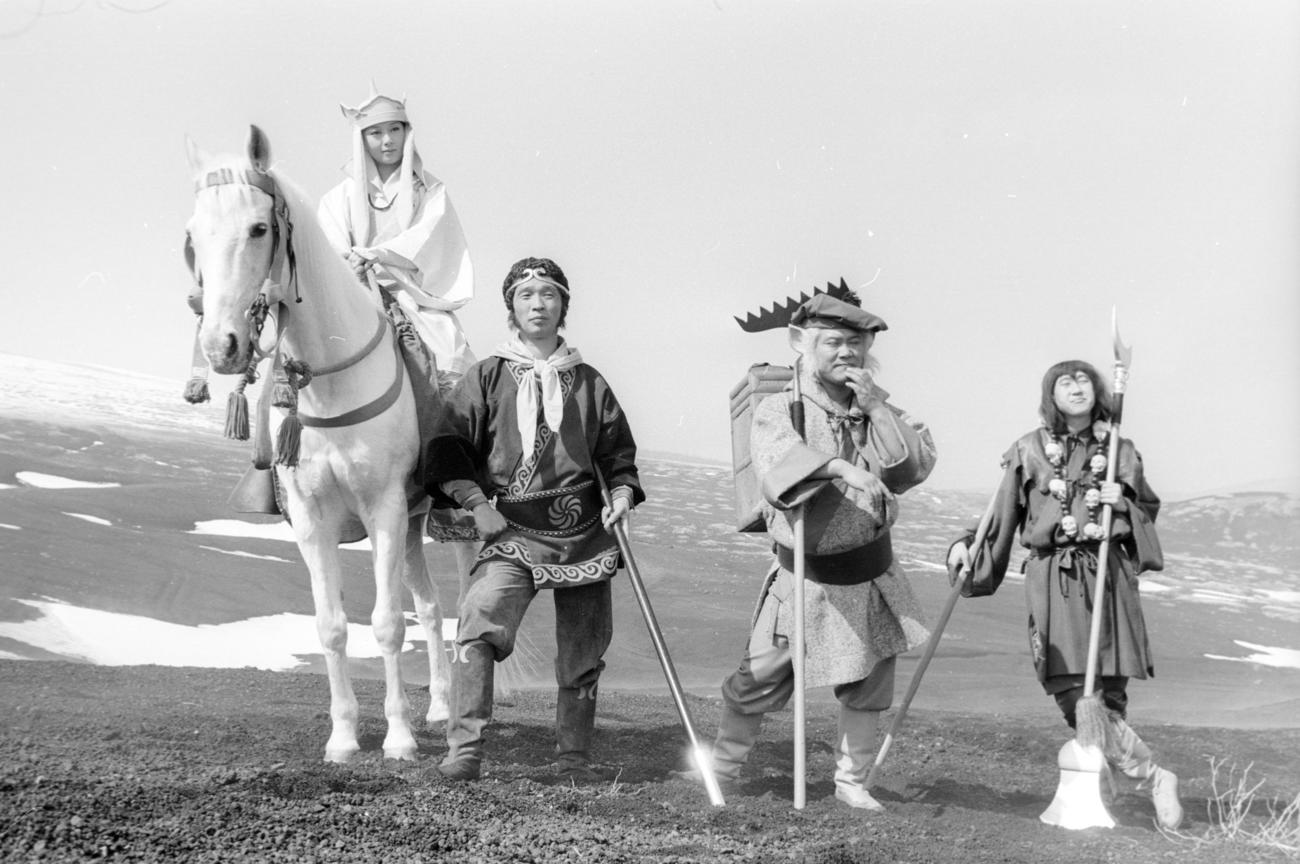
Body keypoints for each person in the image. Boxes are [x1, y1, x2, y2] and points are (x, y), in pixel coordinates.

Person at [701, 292, 937, 810]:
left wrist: (875, 408)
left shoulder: (883, 409)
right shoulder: (779, 408)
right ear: (801, 344)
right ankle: (721, 770)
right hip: (803, 578)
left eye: (857, 342)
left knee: (868, 684)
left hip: (871, 574)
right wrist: (838, 468)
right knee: (758, 679)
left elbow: (909, 469)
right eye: (834, 341)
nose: (846, 352)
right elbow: (775, 468)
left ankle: (851, 782)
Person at [424, 257, 643, 783]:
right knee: (478, 619)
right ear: (511, 310)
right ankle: (465, 750)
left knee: (585, 651)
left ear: (564, 306)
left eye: (548, 295)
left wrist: (622, 492)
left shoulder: (589, 382)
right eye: (526, 296)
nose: (538, 304)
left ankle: (574, 760)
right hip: (512, 530)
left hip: (587, 532)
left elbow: (618, 454)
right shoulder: (487, 376)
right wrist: (478, 507)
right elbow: (447, 447)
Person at [946, 360, 1182, 829]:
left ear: (1098, 392)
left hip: (1107, 576)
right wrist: (965, 542)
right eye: (1064, 382)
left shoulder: (1120, 450)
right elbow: (1002, 509)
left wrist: (1123, 504)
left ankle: (1112, 785)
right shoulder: (1029, 449)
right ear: (1049, 396)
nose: (1076, 388)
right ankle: (1153, 776)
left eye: (1083, 381)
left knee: (1107, 692)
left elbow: (1146, 511)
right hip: (1053, 576)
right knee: (1071, 689)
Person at [318, 85, 475, 391]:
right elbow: (330, 242)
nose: (387, 140)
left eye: (394, 129)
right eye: (375, 133)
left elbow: (427, 237)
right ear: (361, 139)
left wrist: (378, 254)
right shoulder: (339, 197)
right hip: (355, 287)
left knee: (447, 349)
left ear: (407, 132)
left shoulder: (429, 190)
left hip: (412, 294)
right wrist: (351, 261)